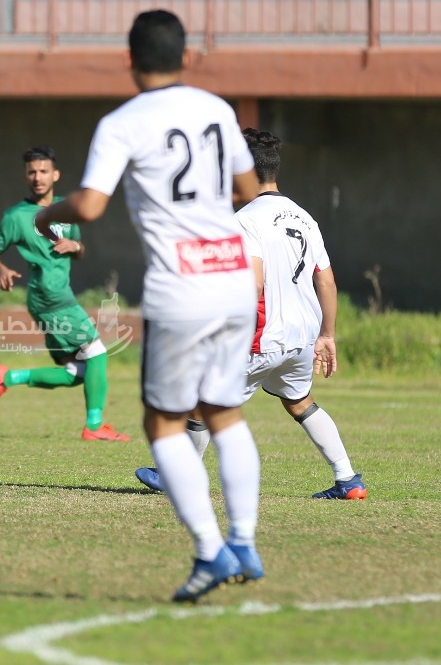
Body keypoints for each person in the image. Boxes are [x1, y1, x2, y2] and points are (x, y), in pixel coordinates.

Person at [34, 10, 264, 603]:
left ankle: (211, 551)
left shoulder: (123, 122)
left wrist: (46, 213)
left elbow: (89, 206)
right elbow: (246, 189)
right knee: (225, 413)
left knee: (163, 423)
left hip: (181, 287)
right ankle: (244, 541)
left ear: (128, 60)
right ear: (187, 57)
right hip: (234, 277)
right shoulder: (217, 109)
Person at [134, 129, 367, 500]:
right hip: (302, 336)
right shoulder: (305, 218)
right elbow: (326, 281)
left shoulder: (244, 220)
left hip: (262, 335)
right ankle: (348, 479)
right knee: (299, 402)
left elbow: (253, 284)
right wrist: (327, 334)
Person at [0, 146, 131, 442]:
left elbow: (80, 250)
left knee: (78, 371)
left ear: (55, 175)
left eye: (43, 171)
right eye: (32, 172)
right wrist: (0, 269)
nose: (37, 177)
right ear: (25, 176)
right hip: (49, 297)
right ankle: (94, 426)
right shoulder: (16, 216)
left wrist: (75, 246)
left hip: (60, 296)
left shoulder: (66, 209)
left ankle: (8, 377)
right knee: (97, 352)